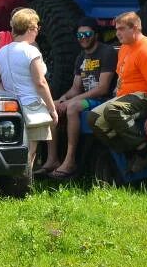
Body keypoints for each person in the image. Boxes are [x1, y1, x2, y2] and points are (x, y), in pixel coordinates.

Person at [88, 11, 147, 173]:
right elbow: (122, 76)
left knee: (113, 110)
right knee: (94, 118)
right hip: (127, 97)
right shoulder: (124, 48)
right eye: (117, 29)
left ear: (135, 28)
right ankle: (130, 151)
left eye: (122, 29)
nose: (117, 33)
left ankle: (143, 149)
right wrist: (116, 95)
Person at [42, 16, 117, 179]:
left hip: (104, 100)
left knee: (73, 107)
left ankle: (70, 161)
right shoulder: (81, 57)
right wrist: (61, 99)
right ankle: (52, 159)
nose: (83, 39)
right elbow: (76, 88)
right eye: (80, 36)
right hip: (87, 99)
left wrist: (71, 101)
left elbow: (103, 88)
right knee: (52, 107)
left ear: (96, 34)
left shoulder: (107, 52)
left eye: (87, 34)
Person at [0, 8, 59, 174]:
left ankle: (12, 181)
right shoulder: (32, 51)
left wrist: (12, 96)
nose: (37, 31)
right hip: (32, 106)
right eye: (36, 28)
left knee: (14, 147)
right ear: (29, 29)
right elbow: (40, 82)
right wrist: (52, 109)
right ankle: (22, 185)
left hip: (11, 107)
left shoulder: (1, 52)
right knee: (30, 151)